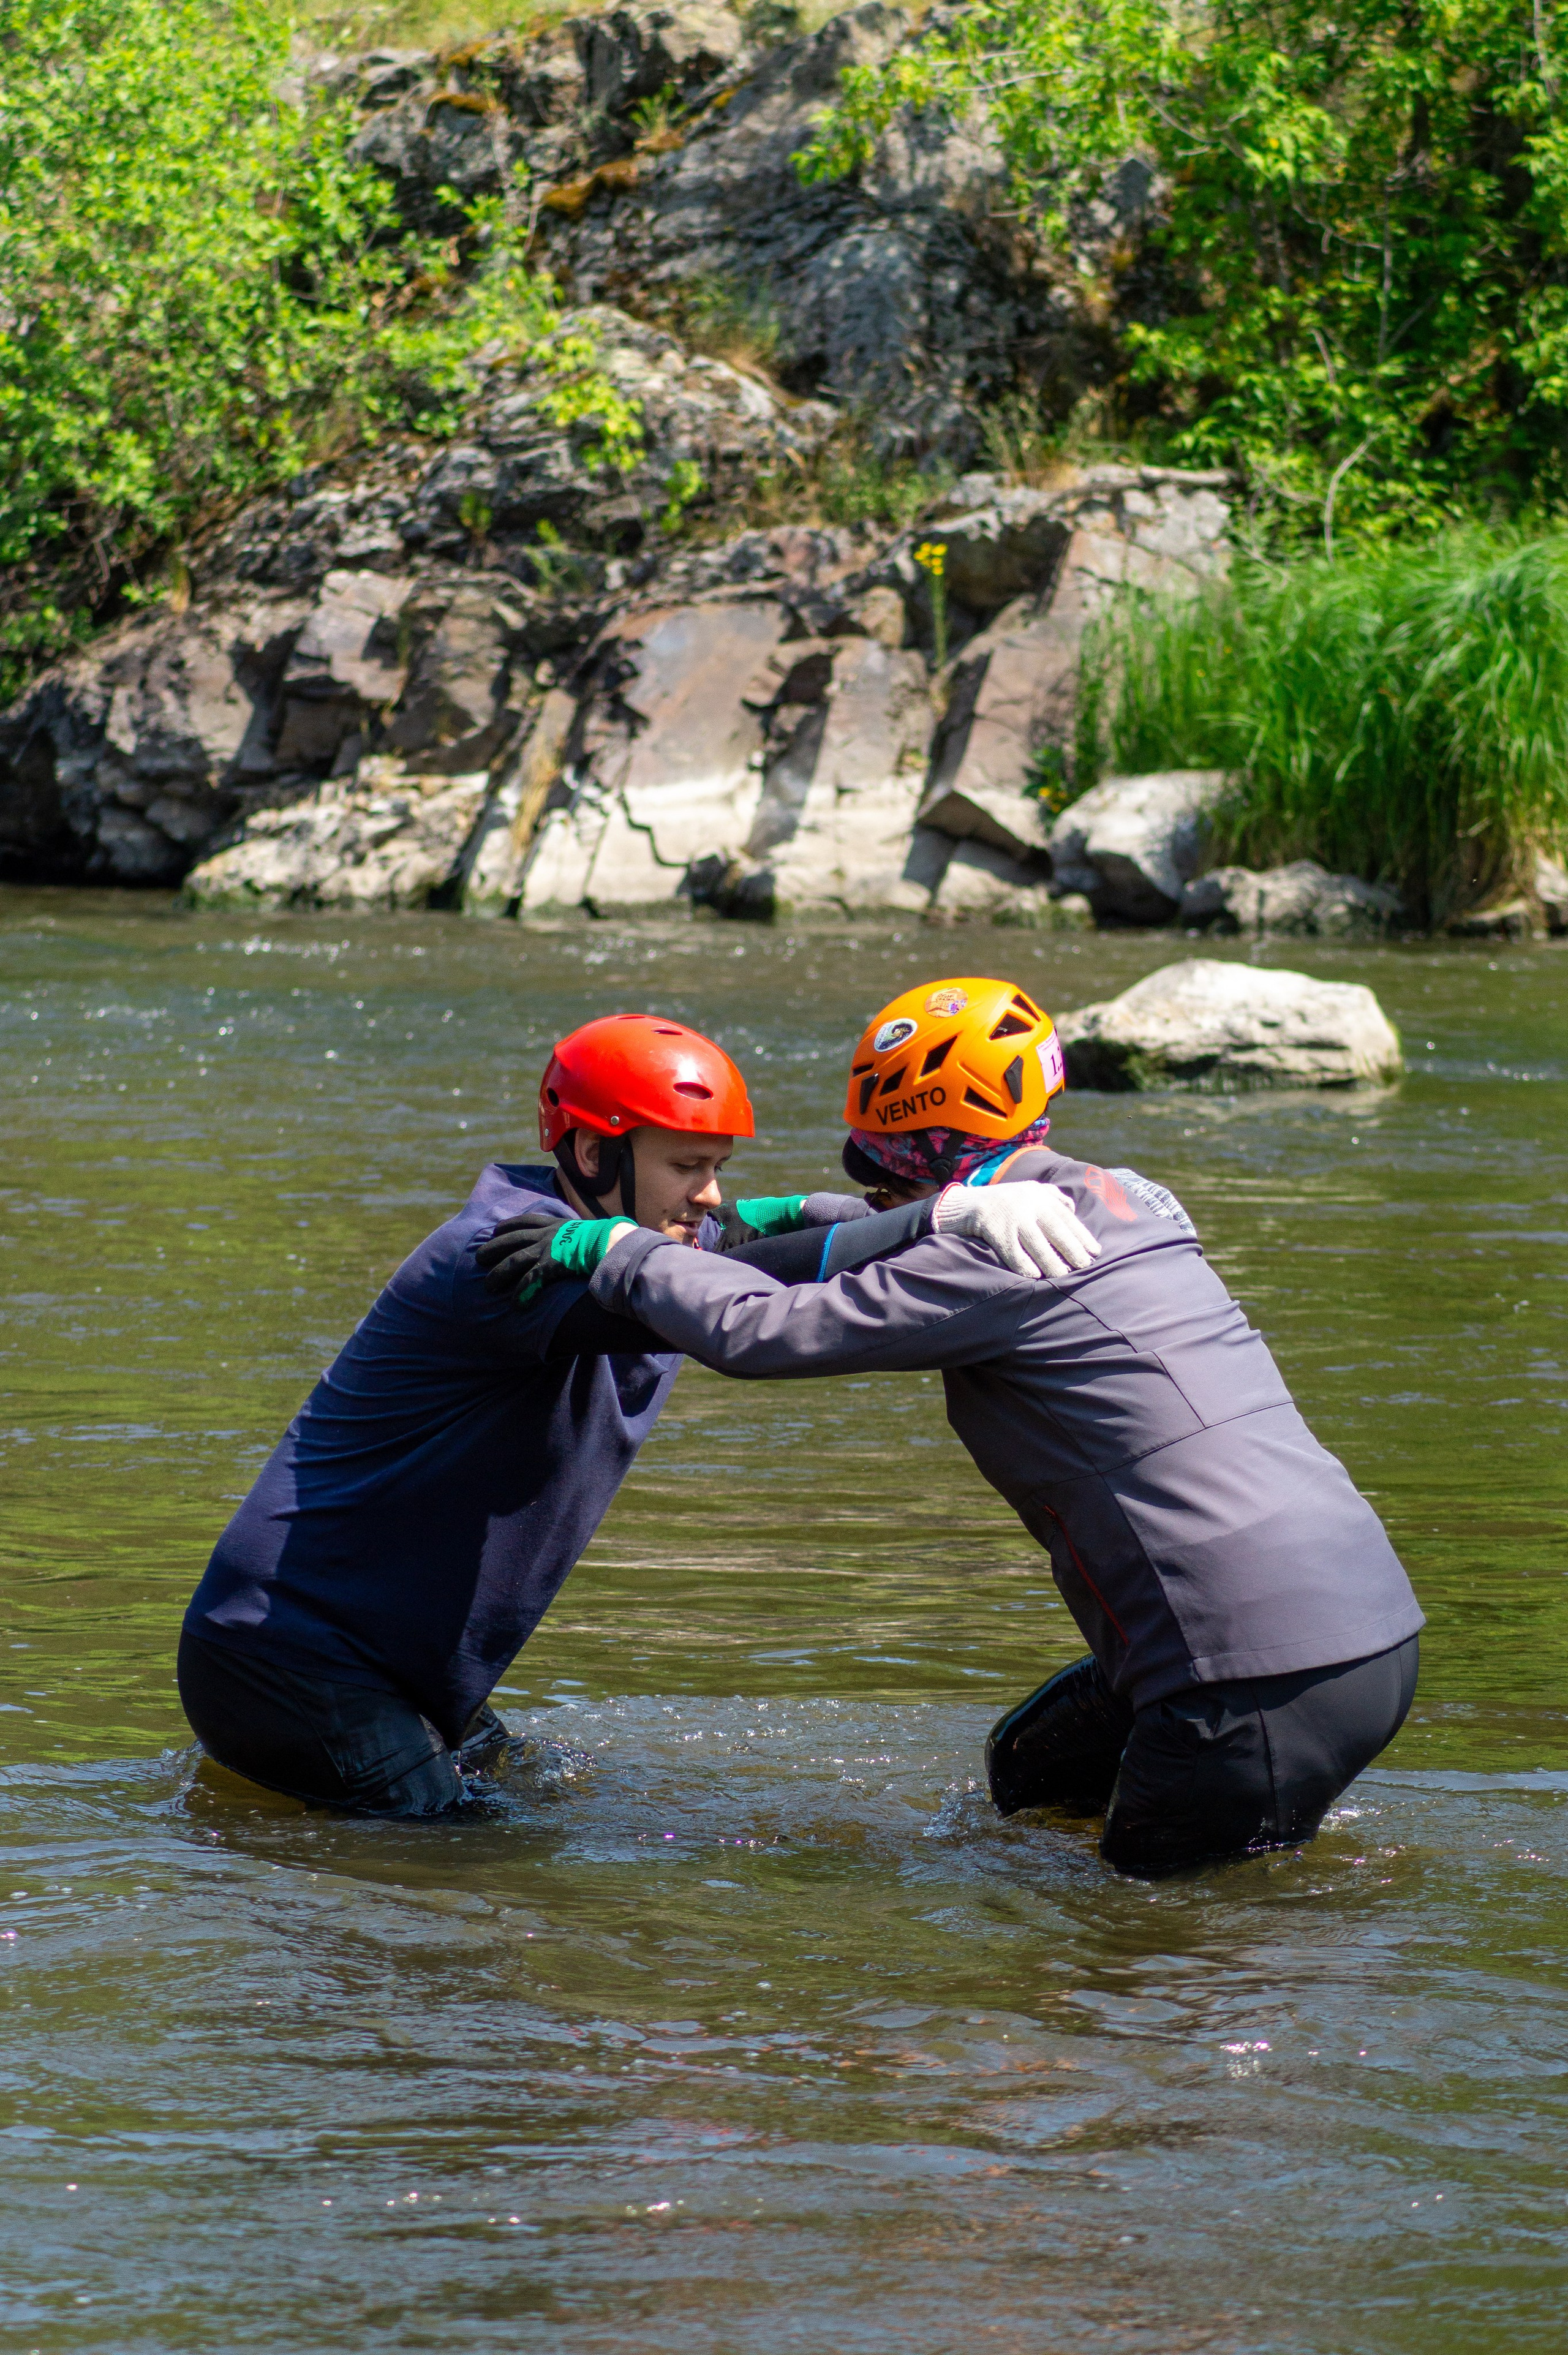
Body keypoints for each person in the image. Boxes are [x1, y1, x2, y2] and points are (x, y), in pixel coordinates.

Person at [503, 976, 1423, 1878]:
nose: (868, 1184)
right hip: (1365, 1626)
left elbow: (760, 1333)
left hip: (1245, 1672)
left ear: (923, 1150)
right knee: (1036, 1771)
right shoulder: (1124, 1194)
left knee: (1148, 1961)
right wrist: (760, 1220)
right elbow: (894, 1225)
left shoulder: (995, 1251)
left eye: (881, 1162)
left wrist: (627, 1252)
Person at [177, 1010, 1098, 1817]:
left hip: (390, 1669)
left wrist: (942, 1204)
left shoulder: (650, 1227)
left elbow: (779, 1223)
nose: (709, 1194)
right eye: (687, 1166)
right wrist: (941, 1221)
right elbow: (753, 1272)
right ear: (590, 1153)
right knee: (459, 1873)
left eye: (717, 1167)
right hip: (290, 1658)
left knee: (545, 1801)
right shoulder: (511, 1258)